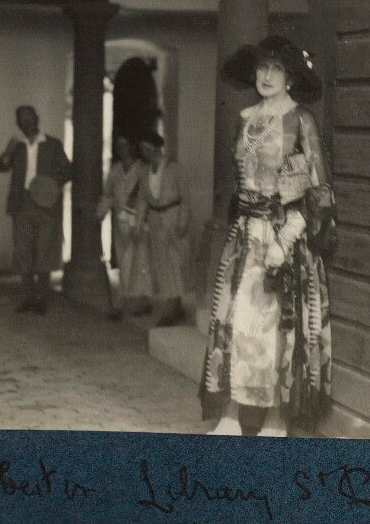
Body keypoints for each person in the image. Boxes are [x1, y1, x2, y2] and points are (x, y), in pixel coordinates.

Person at [199, 35, 334, 437]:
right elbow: (243, 183)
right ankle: (233, 414)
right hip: (246, 239)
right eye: (262, 68)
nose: (267, 76)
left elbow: (318, 190)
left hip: (283, 240)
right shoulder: (246, 119)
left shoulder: (301, 120)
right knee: (238, 323)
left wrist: (285, 241)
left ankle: (276, 419)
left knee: (278, 329)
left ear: (291, 77)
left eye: (276, 69)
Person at [0, 105, 71, 315]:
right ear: (18, 123)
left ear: (37, 119)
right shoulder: (16, 146)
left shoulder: (53, 144)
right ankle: (28, 298)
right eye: (21, 119)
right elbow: (1, 167)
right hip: (21, 204)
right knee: (23, 253)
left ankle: (42, 300)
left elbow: (68, 170)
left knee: (44, 252)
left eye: (29, 117)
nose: (26, 122)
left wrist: (50, 187)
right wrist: (8, 151)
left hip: (46, 205)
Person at [134, 130, 190, 326]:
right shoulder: (144, 171)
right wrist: (138, 224)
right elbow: (142, 200)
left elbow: (185, 199)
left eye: (146, 148)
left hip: (172, 218)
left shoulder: (174, 168)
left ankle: (171, 309)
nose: (144, 152)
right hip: (156, 219)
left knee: (175, 261)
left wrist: (183, 222)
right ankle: (175, 304)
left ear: (155, 148)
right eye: (142, 149)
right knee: (162, 263)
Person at [95, 135, 152, 320]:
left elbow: (148, 197)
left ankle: (139, 302)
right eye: (119, 145)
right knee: (124, 263)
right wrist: (99, 215)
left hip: (140, 224)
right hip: (120, 224)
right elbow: (108, 195)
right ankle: (127, 301)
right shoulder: (115, 170)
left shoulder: (143, 169)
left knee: (140, 263)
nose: (122, 148)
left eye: (125, 144)